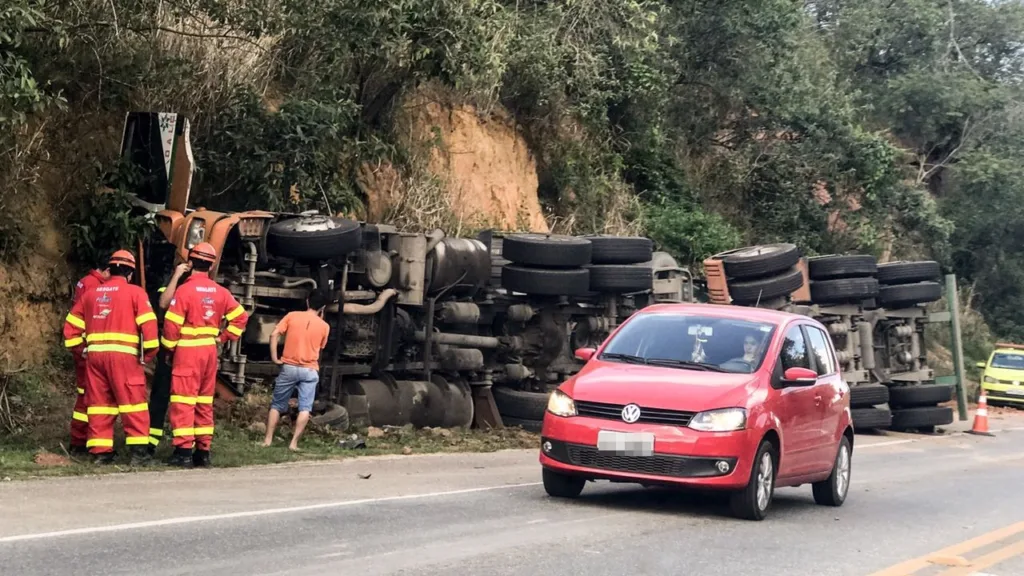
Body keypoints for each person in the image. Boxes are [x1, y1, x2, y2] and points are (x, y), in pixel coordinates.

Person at [62, 250, 159, 465]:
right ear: (130, 273)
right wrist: (148, 355)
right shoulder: (136, 293)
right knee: (133, 403)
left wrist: (83, 351)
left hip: (95, 358)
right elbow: (150, 334)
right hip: (125, 357)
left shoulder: (91, 294)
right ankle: (138, 454)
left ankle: (101, 452)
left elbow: (70, 330)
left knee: (99, 404)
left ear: (110, 269)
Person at [161, 242, 249, 468]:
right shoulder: (221, 292)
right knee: (203, 402)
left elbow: (171, 326)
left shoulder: (184, 291)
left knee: (183, 400)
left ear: (191, 264)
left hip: (188, 351)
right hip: (209, 352)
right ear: (211, 266)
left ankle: (183, 452)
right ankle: (203, 452)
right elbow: (241, 317)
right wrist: (222, 338)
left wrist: (169, 350)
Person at [262, 291, 331, 451]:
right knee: (305, 408)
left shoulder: (292, 316)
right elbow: (321, 347)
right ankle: (293, 444)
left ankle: (267, 440)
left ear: (307, 302)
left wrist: (275, 358)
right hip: (309, 370)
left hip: (289, 367)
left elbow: (274, 335)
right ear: (323, 307)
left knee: (277, 405)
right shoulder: (324, 326)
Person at [145, 261, 192, 455]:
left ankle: (185, 447)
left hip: (188, 351)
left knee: (186, 400)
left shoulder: (199, 288)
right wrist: (176, 276)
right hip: (170, 349)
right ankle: (150, 443)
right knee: (160, 396)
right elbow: (163, 302)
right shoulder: (174, 285)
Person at [66, 266, 110, 456]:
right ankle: (81, 441)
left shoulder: (87, 281)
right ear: (107, 269)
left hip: (84, 348)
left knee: (85, 395)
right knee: (90, 397)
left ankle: (80, 440)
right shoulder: (95, 286)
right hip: (88, 349)